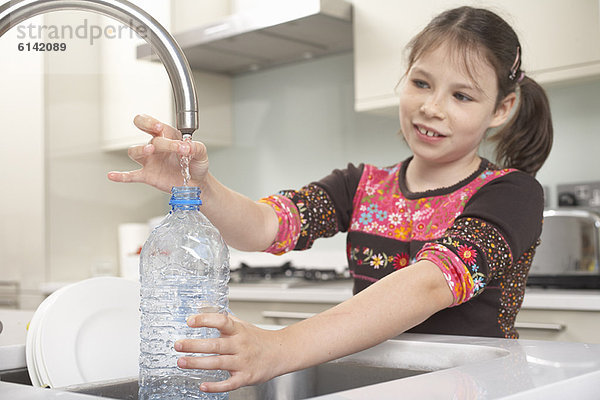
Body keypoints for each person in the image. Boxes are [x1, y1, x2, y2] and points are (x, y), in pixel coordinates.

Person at [108, 6, 553, 393]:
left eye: (461, 95)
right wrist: (201, 188)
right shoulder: (359, 184)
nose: (432, 107)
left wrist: (278, 347)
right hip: (379, 382)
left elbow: (432, 282)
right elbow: (266, 225)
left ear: (501, 108)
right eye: (421, 82)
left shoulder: (513, 193)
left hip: (477, 389)